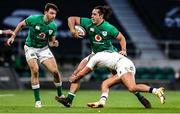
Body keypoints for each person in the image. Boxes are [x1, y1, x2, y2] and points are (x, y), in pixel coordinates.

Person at [55, 5, 151, 108]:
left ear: (101, 16)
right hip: (95, 55)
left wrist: (123, 50)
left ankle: (141, 97)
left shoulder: (108, 27)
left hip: (110, 55)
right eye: (92, 14)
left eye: (94, 14)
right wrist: (72, 30)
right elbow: (71, 19)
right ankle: (69, 100)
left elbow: (121, 38)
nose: (92, 16)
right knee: (77, 72)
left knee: (123, 80)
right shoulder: (88, 23)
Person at [7, 3, 64, 108]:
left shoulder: (53, 26)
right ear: (45, 12)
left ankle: (60, 95)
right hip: (30, 47)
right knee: (35, 70)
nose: (53, 16)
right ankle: (38, 101)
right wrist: (13, 36)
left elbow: (51, 42)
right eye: (51, 13)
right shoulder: (34, 19)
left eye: (55, 14)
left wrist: (54, 43)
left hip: (43, 49)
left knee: (55, 72)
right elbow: (21, 24)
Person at [69, 51, 166, 108]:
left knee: (132, 87)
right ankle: (101, 102)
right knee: (105, 83)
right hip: (122, 64)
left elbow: (84, 72)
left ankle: (156, 91)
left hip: (124, 65)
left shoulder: (94, 58)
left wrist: (74, 77)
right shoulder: (105, 54)